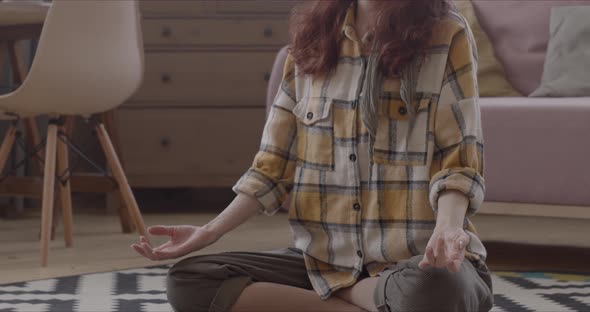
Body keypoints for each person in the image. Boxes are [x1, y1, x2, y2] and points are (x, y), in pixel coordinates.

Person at [131, 0, 494, 311]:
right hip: (321, 261)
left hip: (415, 261)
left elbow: (458, 158)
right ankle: (373, 302)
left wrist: (448, 229)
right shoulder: (312, 39)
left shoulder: (447, 32)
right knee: (189, 281)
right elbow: (272, 168)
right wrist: (209, 232)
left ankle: (348, 298)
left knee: (438, 289)